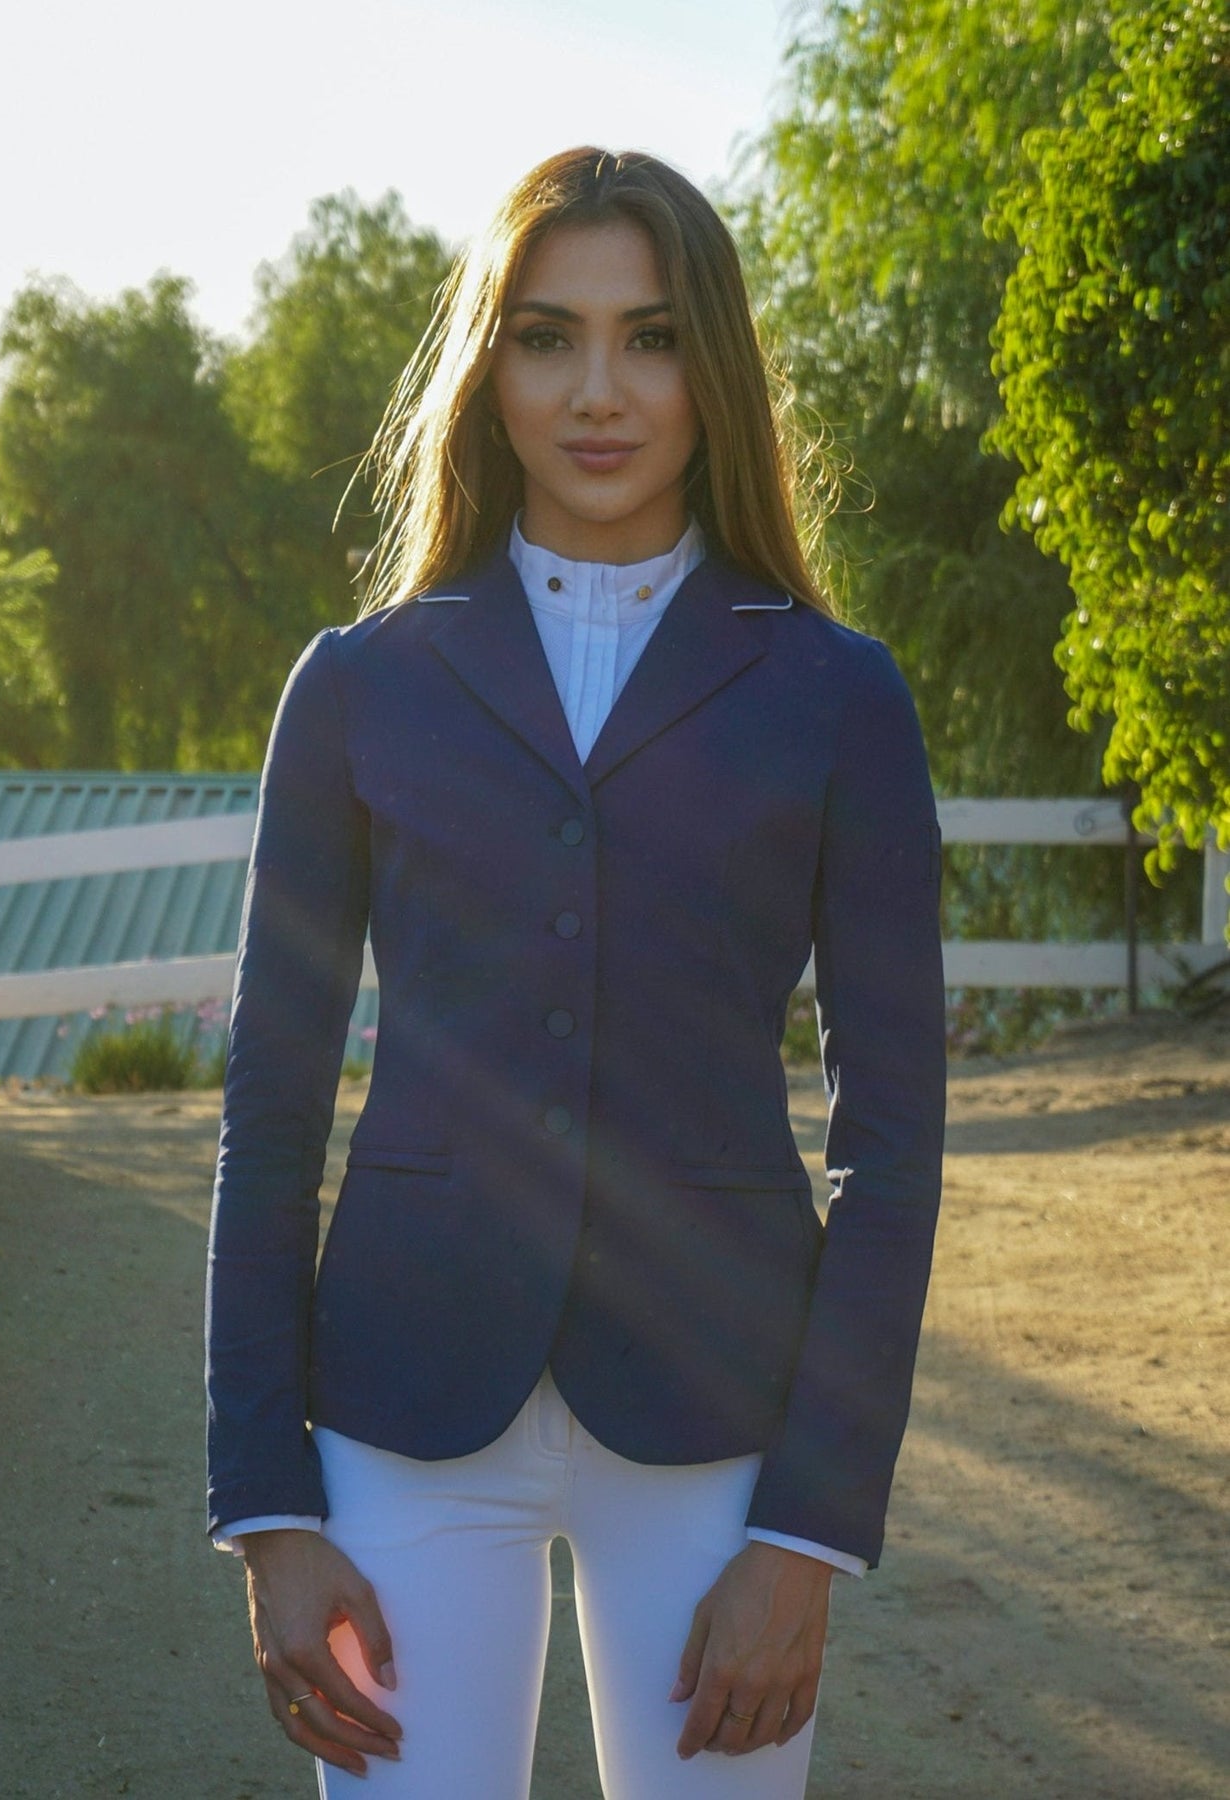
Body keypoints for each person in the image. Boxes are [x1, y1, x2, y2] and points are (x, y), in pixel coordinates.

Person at [205, 146, 946, 1798]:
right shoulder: (357, 686)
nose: (597, 391)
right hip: (398, 1415)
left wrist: (809, 1532)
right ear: (488, 369)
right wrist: (267, 1508)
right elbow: (269, 1110)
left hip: (720, 1422)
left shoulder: (838, 695)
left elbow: (891, 1143)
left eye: (651, 337)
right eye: (547, 337)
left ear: (715, 368)